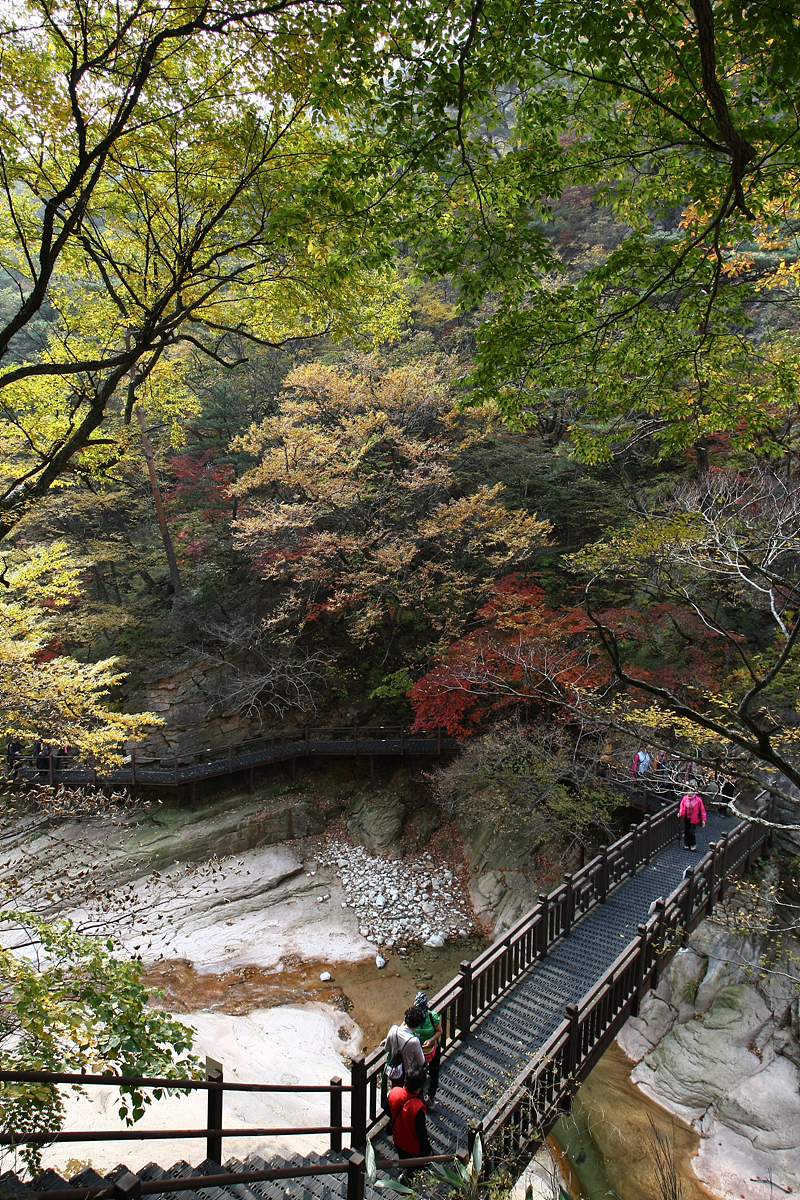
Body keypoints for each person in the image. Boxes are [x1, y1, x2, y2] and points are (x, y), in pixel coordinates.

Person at [388, 1064, 430, 1173]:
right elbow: (422, 1133)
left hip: (397, 1139)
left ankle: (403, 1171)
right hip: (413, 1147)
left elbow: (388, 1111)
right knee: (415, 1169)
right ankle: (406, 1178)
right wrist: (428, 1151)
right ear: (419, 1087)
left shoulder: (394, 1092)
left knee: (403, 1160)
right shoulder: (417, 1108)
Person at [383, 1006, 425, 1090]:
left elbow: (387, 1048)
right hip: (409, 1076)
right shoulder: (414, 1041)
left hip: (395, 1071)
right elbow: (421, 1062)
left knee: (396, 1091)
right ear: (418, 1025)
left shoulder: (393, 1029)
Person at [413, 990, 441, 1110]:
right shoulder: (412, 1015)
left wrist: (430, 1040)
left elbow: (440, 1031)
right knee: (419, 1074)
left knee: (434, 1074)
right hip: (418, 1052)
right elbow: (403, 1027)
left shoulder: (432, 1016)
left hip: (432, 1050)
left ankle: (431, 1097)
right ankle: (419, 1097)